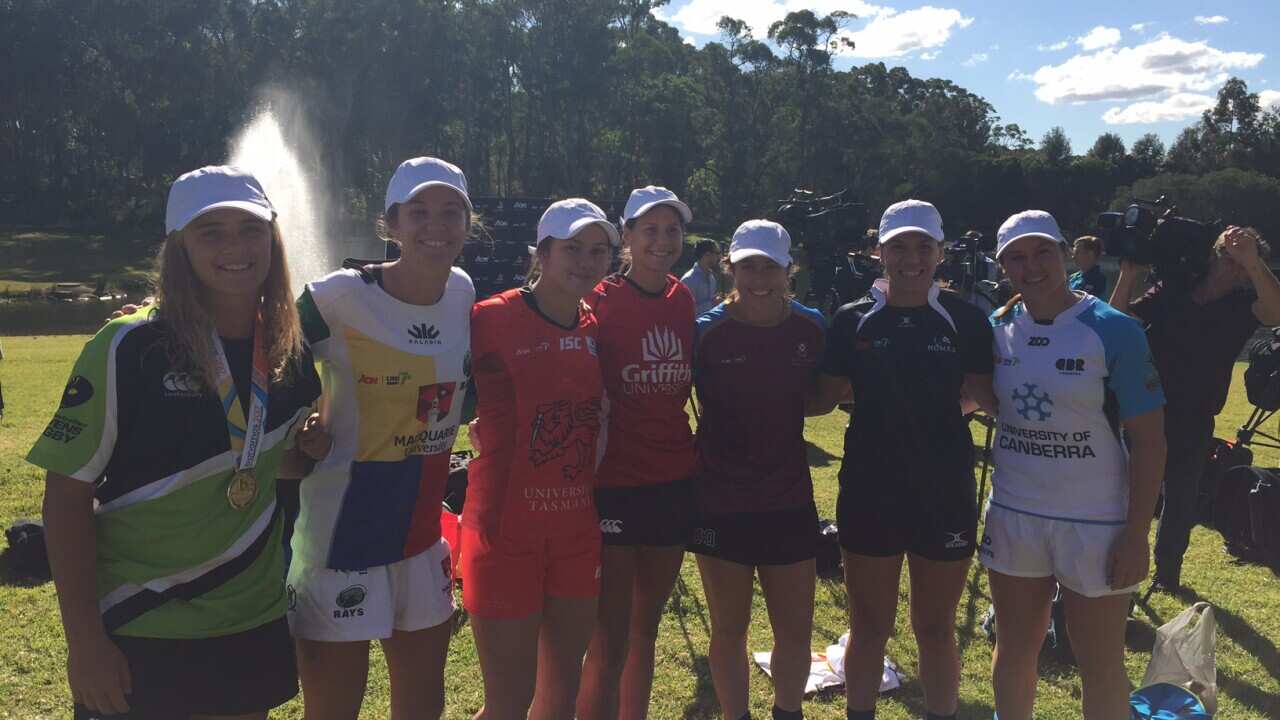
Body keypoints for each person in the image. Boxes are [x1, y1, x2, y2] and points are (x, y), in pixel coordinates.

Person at [31, 165, 326, 719]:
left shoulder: (291, 351)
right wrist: (84, 644)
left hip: (248, 620)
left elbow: (269, 471)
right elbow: (66, 497)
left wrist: (303, 453)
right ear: (178, 246)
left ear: (273, 239)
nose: (234, 246)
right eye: (210, 231)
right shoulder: (128, 348)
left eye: (250, 228)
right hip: (142, 625)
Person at [285, 157, 476, 719]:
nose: (435, 226)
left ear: (468, 225)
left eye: (450, 213)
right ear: (391, 225)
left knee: (422, 704)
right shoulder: (339, 295)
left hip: (420, 536)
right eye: (418, 213)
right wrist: (301, 424)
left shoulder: (462, 291)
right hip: (342, 538)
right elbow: (268, 358)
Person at [807, 200, 994, 720]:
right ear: (878, 252)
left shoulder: (967, 320)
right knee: (869, 627)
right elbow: (821, 397)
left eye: (922, 246)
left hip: (945, 493)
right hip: (871, 490)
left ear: (940, 252)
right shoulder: (851, 320)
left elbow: (987, 394)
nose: (911, 258)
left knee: (935, 628)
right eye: (898, 247)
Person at [980, 210, 1166, 720]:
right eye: (1016, 257)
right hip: (1016, 511)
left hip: (1098, 523)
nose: (1031, 266)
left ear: (1065, 253)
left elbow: (1150, 443)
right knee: (1015, 649)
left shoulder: (1115, 330)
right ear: (1003, 267)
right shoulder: (996, 328)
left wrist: (1136, 534)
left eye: (1043, 252)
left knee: (1099, 662)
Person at [463, 198, 616, 719]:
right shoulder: (489, 317)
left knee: (561, 695)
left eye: (599, 251)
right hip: (504, 533)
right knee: (508, 702)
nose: (587, 261)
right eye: (573, 248)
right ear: (542, 253)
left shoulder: (594, 326)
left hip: (576, 532)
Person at [689, 220, 825, 720]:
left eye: (770, 266)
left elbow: (823, 398)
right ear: (730, 267)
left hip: (788, 499)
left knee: (795, 630)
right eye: (748, 265)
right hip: (719, 501)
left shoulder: (812, 326)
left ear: (789, 269)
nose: (760, 277)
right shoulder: (704, 331)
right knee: (729, 629)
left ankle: (788, 712)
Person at [577, 186, 697, 720]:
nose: (662, 241)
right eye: (649, 230)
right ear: (625, 236)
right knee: (609, 635)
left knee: (646, 629)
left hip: (673, 481)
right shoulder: (598, 300)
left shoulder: (684, 298)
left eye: (672, 230)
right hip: (615, 484)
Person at [1110, 225, 1280, 591]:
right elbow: (1117, 323)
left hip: (1197, 409)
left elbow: (1276, 311)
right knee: (1125, 485)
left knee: (1181, 494)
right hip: (1145, 404)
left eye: (1242, 265)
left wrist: (1253, 262)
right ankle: (1116, 556)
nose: (1232, 268)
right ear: (1211, 255)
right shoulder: (1174, 288)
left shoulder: (1243, 303)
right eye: (1227, 258)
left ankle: (1167, 572)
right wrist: (1128, 275)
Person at [680, 238, 721, 315]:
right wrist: (712, 303)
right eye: (717, 253)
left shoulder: (711, 277)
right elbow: (683, 311)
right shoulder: (688, 280)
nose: (719, 257)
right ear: (707, 255)